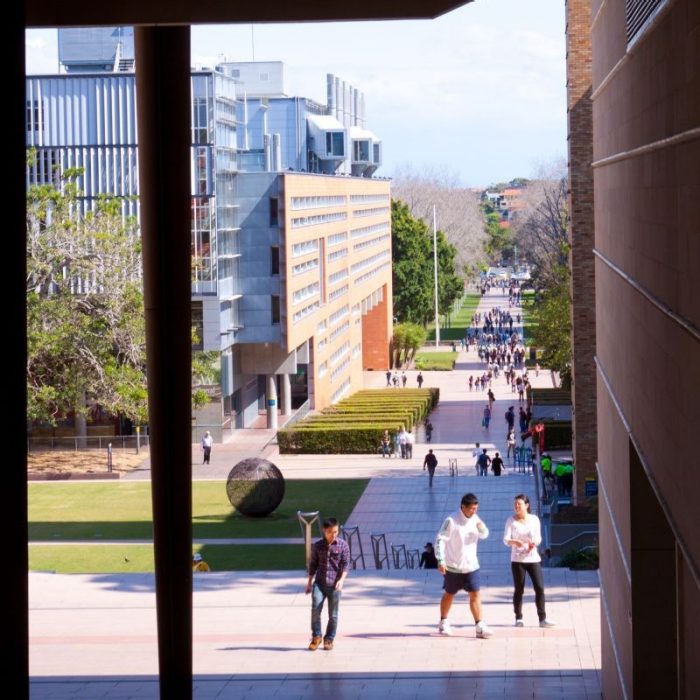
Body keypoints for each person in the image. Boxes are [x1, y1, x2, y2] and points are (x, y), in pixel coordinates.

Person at [435, 492, 494, 639]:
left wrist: (481, 528)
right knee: (450, 594)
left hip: (471, 565)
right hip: (453, 566)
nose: (474, 512)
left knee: (475, 594)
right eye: (471, 509)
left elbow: (485, 534)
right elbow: (440, 540)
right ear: (463, 507)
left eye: (476, 509)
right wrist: (441, 560)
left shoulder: (475, 518)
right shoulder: (451, 520)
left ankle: (479, 625)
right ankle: (443, 621)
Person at [503, 494, 555, 628]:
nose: (516, 506)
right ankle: (518, 618)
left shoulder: (534, 519)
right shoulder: (511, 520)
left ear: (526, 505)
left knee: (539, 587)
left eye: (519, 504)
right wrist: (515, 542)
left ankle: (542, 618)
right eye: (515, 504)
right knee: (519, 589)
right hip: (517, 560)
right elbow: (506, 539)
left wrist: (534, 543)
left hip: (533, 558)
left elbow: (538, 538)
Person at [305, 517, 350, 651]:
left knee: (333, 615)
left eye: (336, 532)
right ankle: (316, 636)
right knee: (315, 610)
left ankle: (329, 638)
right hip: (319, 584)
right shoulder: (318, 545)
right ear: (324, 531)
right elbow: (313, 565)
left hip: (335, 585)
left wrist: (341, 580)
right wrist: (309, 583)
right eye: (330, 532)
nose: (333, 534)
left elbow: (346, 565)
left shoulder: (343, 545)